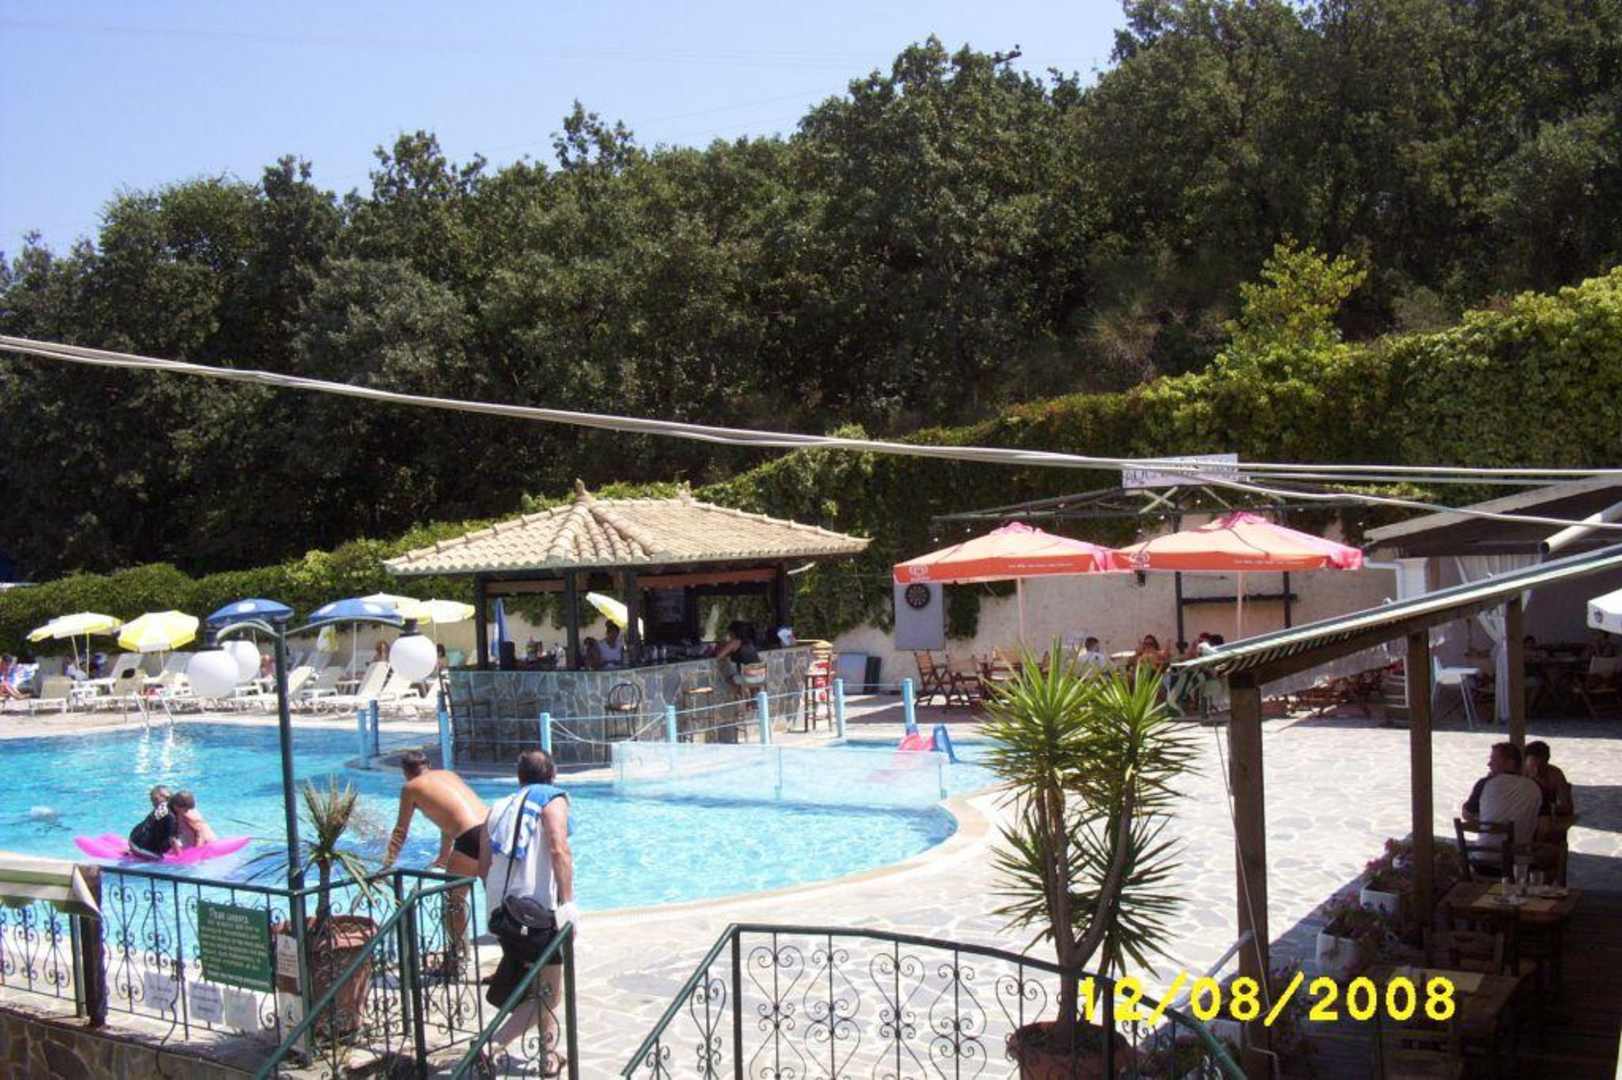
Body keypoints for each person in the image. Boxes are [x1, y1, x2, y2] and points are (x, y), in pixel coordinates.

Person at [478, 750, 578, 1073]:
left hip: (501, 913)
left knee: (540, 985)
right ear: (552, 775)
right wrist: (568, 905)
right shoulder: (552, 799)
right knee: (550, 993)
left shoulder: (497, 807)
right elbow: (559, 848)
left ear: (519, 777)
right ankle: (491, 1044)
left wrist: (503, 904)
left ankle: (548, 1056)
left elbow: (482, 866)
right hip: (534, 917)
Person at [384, 750, 488, 971]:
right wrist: (443, 855)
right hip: (493, 829)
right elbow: (449, 819)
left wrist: (387, 865)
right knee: (500, 897)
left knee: (453, 901)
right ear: (428, 765)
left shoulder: (411, 788)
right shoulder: (448, 774)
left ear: (405, 772)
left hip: (470, 838)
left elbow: (400, 831)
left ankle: (458, 959)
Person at [1461, 741, 1543, 857]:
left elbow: (1467, 815)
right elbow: (1544, 827)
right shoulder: (1535, 787)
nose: (1489, 764)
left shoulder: (1485, 783)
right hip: (1519, 861)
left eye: (1494, 760)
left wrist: (1483, 818)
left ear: (1510, 763)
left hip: (1484, 859)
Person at [1523, 740, 1575, 817]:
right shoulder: (1520, 775)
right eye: (1533, 766)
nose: (1537, 770)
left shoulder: (1555, 775)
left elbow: (1567, 807)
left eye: (1541, 766)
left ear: (1547, 761)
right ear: (1525, 762)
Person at [128, 786, 179, 858]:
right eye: (153, 800)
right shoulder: (169, 815)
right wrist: (180, 858)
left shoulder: (161, 807)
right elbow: (172, 840)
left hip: (133, 839)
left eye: (154, 800)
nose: (153, 803)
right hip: (141, 848)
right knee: (161, 860)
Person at [714, 621, 763, 691]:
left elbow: (718, 656)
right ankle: (744, 695)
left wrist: (722, 645)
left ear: (733, 632)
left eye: (729, 632)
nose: (729, 634)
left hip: (749, 676)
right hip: (760, 674)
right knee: (749, 689)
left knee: (729, 678)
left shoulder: (734, 642)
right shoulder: (749, 642)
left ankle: (740, 695)